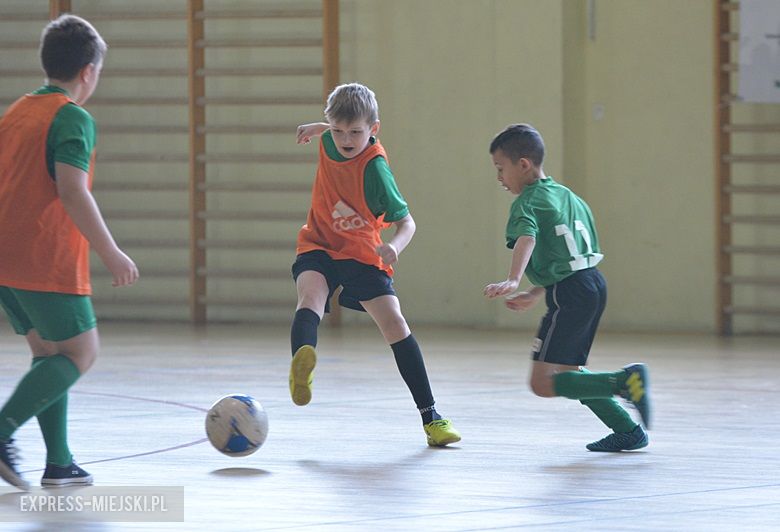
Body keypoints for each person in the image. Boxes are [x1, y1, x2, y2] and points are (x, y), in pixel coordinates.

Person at [0, 14, 139, 490]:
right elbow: (73, 190)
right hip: (42, 256)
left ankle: (59, 462)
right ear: (88, 71)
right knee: (81, 351)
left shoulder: (17, 111)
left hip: (5, 257)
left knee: (48, 352)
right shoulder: (73, 117)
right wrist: (111, 252)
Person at [289, 82, 460, 447]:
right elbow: (334, 128)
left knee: (395, 324)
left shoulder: (376, 170)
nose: (345, 139)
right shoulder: (330, 139)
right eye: (337, 131)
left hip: (363, 253)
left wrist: (394, 246)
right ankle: (301, 367)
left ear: (373, 130)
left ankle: (431, 417)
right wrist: (317, 129)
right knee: (310, 298)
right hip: (319, 243)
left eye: (355, 132)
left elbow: (408, 223)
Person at [483, 123, 651, 452]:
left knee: (542, 383)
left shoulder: (527, 203)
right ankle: (627, 430)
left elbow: (527, 237)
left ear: (523, 164)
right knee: (571, 371)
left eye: (500, 168)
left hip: (571, 294)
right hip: (592, 284)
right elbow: (570, 257)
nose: (499, 177)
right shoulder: (568, 196)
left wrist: (514, 278)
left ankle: (623, 381)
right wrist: (536, 292)